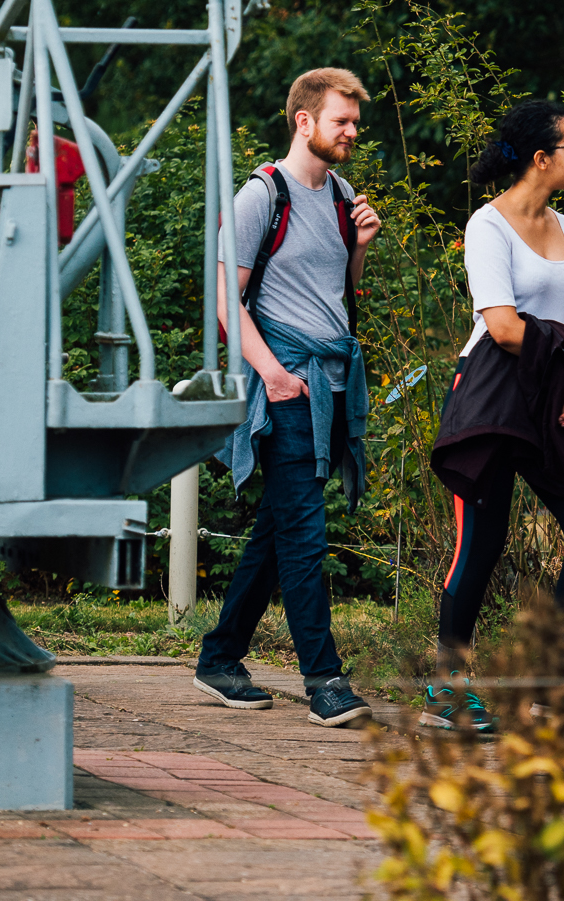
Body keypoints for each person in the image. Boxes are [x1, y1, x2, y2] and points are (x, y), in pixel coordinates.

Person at [423, 99, 564, 733]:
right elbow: (503, 328)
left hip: (549, 396)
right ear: (542, 158)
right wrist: (563, 355)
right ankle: (447, 691)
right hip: (491, 396)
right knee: (482, 544)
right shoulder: (488, 226)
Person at [192, 67, 378, 727]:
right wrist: (270, 372)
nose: (352, 132)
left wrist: (359, 248)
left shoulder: (340, 194)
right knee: (304, 532)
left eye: (354, 121)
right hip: (287, 386)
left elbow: (339, 292)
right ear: (305, 120)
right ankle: (324, 679)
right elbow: (226, 298)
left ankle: (220, 656)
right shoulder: (260, 195)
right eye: (341, 121)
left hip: (328, 386)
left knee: (278, 527)